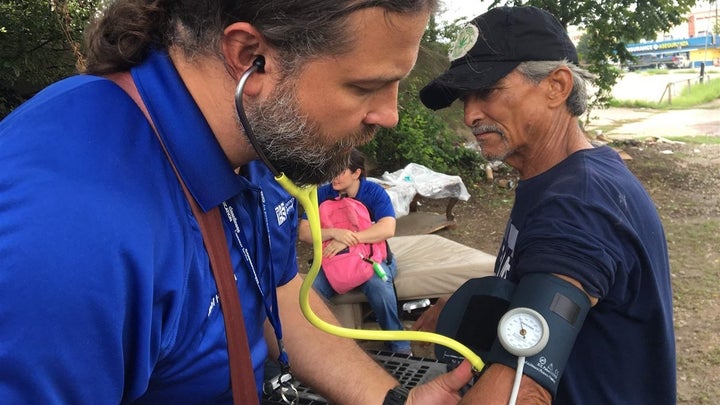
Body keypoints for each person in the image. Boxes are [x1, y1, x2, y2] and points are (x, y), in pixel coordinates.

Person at [0, 0, 475, 403]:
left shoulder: (260, 140)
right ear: (250, 56)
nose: (389, 115)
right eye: (365, 87)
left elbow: (275, 291)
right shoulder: (68, 231)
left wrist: (391, 398)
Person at [414, 6, 676, 404]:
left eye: (487, 91)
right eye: (464, 97)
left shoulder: (578, 205)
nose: (470, 114)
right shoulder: (571, 176)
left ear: (556, 86)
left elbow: (525, 387)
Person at [298, 148, 412, 354]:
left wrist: (349, 240)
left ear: (356, 173)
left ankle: (400, 345)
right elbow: (304, 233)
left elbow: (388, 228)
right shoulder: (323, 194)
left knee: (380, 286)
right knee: (310, 294)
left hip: (370, 259)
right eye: (331, 170)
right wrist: (334, 232)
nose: (333, 176)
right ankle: (315, 348)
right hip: (335, 263)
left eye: (340, 171)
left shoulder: (373, 193)